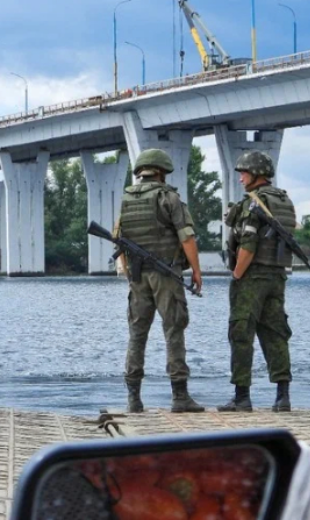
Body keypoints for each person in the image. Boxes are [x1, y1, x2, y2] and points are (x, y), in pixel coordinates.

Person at [117, 148, 204, 414]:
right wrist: (197, 272)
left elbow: (119, 239)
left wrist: (128, 271)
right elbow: (186, 237)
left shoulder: (126, 199)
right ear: (161, 172)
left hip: (138, 276)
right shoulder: (169, 197)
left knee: (137, 334)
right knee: (174, 331)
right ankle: (180, 398)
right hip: (166, 274)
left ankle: (134, 399)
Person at [218, 150, 296, 413]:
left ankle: (242, 397)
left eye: (243, 174)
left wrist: (237, 275)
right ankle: (282, 396)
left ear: (255, 174)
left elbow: (248, 246)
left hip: (252, 277)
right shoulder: (283, 201)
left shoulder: (255, 203)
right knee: (276, 333)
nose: (240, 179)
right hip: (277, 275)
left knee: (241, 333)